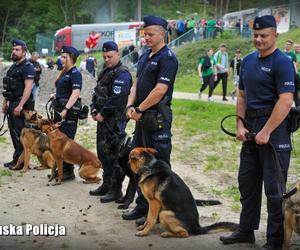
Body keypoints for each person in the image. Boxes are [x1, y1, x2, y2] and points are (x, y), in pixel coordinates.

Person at [219, 15, 295, 250]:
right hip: (250, 125)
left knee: (274, 190)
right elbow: (242, 96)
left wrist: (267, 130)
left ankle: (274, 240)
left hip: (275, 129)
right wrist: (240, 125)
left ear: (275, 35)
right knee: (247, 183)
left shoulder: (282, 62)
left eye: (264, 36)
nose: (259, 40)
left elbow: (285, 100)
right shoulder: (248, 61)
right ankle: (246, 230)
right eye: (255, 35)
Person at [121, 15, 178, 225]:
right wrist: (130, 105)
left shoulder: (168, 58)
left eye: (150, 34)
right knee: (139, 164)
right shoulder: (145, 55)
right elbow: (136, 85)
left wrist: (139, 108)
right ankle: (143, 206)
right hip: (141, 118)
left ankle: (161, 211)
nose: (146, 38)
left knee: (159, 166)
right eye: (144, 34)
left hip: (157, 120)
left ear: (162, 34)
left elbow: (160, 90)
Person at [89, 41, 132, 203]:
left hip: (114, 121)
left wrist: (102, 113)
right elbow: (97, 91)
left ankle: (116, 190)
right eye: (104, 57)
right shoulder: (105, 71)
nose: (107, 59)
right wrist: (94, 108)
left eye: (110, 56)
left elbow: (118, 99)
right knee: (103, 153)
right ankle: (106, 185)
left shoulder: (122, 74)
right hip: (102, 119)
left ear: (118, 54)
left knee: (114, 156)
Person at [2, 39, 35, 169]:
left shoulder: (28, 67)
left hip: (21, 105)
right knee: (13, 133)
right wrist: (5, 103)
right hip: (12, 103)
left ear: (24, 52)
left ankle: (22, 162)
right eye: (13, 49)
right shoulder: (13, 67)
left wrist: (20, 105)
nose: (14, 52)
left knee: (21, 134)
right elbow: (8, 88)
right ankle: (16, 159)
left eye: (17, 50)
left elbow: (28, 88)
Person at [52, 46, 82, 181]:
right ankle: (61, 170)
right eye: (62, 57)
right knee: (59, 142)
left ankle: (68, 172)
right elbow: (63, 90)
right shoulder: (65, 72)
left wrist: (65, 110)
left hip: (68, 114)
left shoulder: (75, 73)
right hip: (59, 111)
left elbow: (76, 93)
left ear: (71, 58)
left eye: (65, 57)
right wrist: (55, 95)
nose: (62, 59)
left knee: (67, 143)